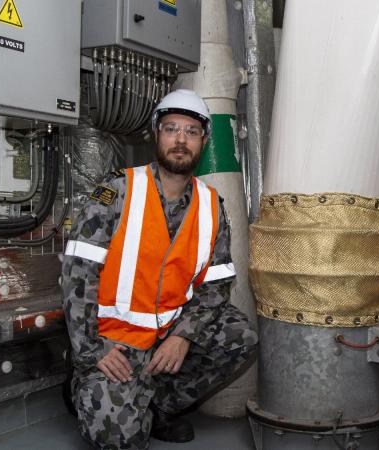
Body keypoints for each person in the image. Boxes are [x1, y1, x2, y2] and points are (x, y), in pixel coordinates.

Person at [62, 89, 258, 449]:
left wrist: (183, 336)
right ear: (156, 134)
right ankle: (87, 384)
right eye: (171, 129)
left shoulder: (211, 204)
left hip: (168, 333)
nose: (181, 140)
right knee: (119, 437)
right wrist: (92, 350)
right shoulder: (116, 191)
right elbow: (78, 275)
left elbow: (215, 285)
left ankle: (157, 403)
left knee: (240, 337)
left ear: (203, 141)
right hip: (113, 339)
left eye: (191, 131)